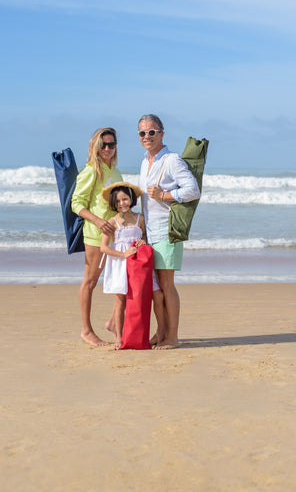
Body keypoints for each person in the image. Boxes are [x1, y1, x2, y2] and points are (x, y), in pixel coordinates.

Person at [138, 114, 200, 349]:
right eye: (142, 133)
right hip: (150, 233)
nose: (147, 137)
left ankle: (172, 336)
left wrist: (164, 195)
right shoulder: (145, 161)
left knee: (166, 284)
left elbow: (193, 190)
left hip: (167, 230)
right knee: (155, 288)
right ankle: (160, 333)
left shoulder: (172, 160)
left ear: (161, 133)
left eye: (151, 132)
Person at [71, 127, 123, 346]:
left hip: (117, 236)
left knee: (121, 282)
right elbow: (76, 203)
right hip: (95, 236)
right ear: (96, 147)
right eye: (104, 145)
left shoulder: (115, 171)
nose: (108, 149)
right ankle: (86, 330)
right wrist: (98, 221)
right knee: (90, 282)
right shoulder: (92, 170)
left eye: (112, 144)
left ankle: (113, 322)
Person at [100, 182, 164, 349]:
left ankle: (161, 332)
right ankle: (119, 338)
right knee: (121, 299)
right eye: (118, 201)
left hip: (140, 265)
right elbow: (103, 247)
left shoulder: (140, 218)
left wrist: (144, 241)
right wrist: (123, 255)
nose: (122, 203)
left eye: (125, 199)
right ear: (113, 203)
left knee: (156, 294)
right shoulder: (113, 222)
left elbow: (146, 238)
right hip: (121, 263)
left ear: (131, 199)